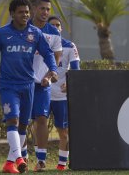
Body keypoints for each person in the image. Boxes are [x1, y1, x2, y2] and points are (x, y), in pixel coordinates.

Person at [0, 0, 57, 174]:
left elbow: (48, 53)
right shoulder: (2, 33)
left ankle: (9, 164)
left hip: (28, 85)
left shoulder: (35, 33)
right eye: (21, 12)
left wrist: (53, 69)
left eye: (27, 12)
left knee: (23, 125)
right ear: (12, 14)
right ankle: (18, 159)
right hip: (8, 86)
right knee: (13, 120)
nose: (25, 15)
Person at [25, 0, 62, 172]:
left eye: (48, 9)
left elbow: (56, 59)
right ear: (34, 9)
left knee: (41, 119)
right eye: (42, 9)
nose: (45, 12)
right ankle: (21, 158)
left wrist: (48, 76)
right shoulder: (23, 28)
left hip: (42, 84)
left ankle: (41, 160)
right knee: (21, 121)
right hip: (22, 82)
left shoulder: (54, 33)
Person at [48, 15, 80, 170]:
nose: (55, 27)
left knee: (63, 132)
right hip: (43, 94)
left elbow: (76, 70)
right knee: (36, 127)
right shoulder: (40, 45)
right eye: (52, 25)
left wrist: (70, 83)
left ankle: (61, 164)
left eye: (58, 25)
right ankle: (37, 161)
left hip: (61, 97)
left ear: (61, 28)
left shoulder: (69, 46)